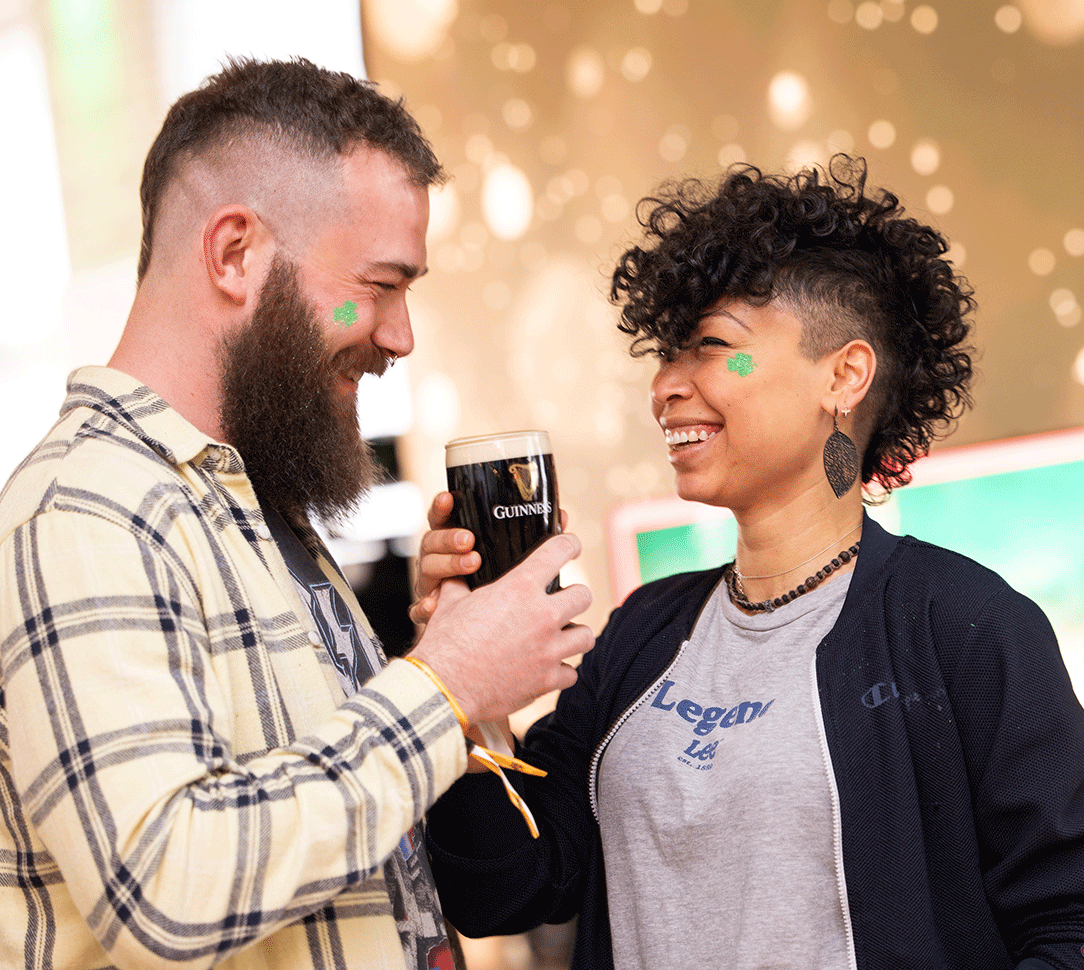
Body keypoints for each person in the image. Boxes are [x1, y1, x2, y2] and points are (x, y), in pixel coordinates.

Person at [415, 157, 1084, 969]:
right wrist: (457, 688)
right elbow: (508, 888)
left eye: (712, 348)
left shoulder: (970, 630)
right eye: (667, 352)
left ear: (844, 374)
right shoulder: (643, 634)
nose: (665, 385)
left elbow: (1067, 923)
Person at [0, 57, 593, 970]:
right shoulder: (84, 507)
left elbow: (341, 839)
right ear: (235, 253)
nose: (400, 334)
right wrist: (444, 686)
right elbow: (165, 887)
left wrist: (453, 676)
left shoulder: (249, 505)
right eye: (380, 283)